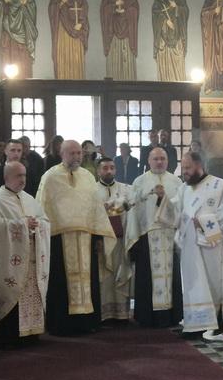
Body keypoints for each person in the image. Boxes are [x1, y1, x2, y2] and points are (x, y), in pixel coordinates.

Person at [36, 140, 115, 336]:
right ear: (61, 154)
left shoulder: (88, 177)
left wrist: (98, 236)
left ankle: (88, 322)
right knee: (61, 283)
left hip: (86, 238)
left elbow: (95, 208)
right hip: (59, 239)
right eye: (72, 153)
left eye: (79, 153)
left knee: (88, 280)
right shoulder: (50, 177)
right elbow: (42, 207)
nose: (76, 157)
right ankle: (62, 325)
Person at [172, 151, 223, 341]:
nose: (184, 171)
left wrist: (202, 222)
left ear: (199, 166)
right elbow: (175, 211)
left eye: (188, 167)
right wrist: (161, 201)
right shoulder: (183, 189)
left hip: (211, 245)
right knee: (193, 286)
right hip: (190, 247)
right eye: (183, 167)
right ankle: (195, 325)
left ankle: (216, 322)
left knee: (213, 283)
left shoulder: (219, 186)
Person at [0, 162, 50, 347]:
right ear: (6, 177)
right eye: (18, 176)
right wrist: (22, 224)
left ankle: (32, 333)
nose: (23, 179)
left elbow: (45, 221)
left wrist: (39, 225)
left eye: (24, 175)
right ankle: (9, 337)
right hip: (11, 261)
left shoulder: (30, 199)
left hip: (32, 260)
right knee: (11, 292)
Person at [125, 148, 182, 328]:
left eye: (162, 159)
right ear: (148, 161)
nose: (159, 162)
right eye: (155, 159)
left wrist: (164, 198)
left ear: (168, 161)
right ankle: (146, 316)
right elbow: (132, 208)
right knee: (147, 277)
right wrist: (148, 194)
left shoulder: (176, 182)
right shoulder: (139, 181)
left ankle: (171, 316)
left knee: (171, 277)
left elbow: (181, 208)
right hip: (147, 236)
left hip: (170, 236)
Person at [96, 157, 133, 322]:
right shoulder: (92, 190)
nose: (109, 171)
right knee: (104, 278)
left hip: (121, 240)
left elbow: (132, 207)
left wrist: (113, 207)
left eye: (112, 167)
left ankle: (121, 314)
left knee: (120, 273)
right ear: (98, 171)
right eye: (105, 168)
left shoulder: (125, 189)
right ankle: (105, 315)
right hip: (102, 241)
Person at [48, 0, 89, 79]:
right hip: (62, 25)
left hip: (76, 24)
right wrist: (62, 2)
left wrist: (81, 22)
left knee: (75, 51)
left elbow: (84, 5)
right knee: (63, 51)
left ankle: (77, 78)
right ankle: (63, 77)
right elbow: (52, 7)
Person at [101, 0, 139, 81]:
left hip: (127, 30)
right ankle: (113, 81)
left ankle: (129, 81)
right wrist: (114, 7)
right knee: (114, 57)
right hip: (113, 30)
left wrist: (125, 10)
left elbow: (135, 8)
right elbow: (103, 9)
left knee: (127, 57)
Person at [152, 0, 189, 82]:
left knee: (178, 54)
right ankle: (165, 82)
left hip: (176, 29)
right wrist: (165, 21)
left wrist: (176, 7)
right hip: (164, 31)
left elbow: (185, 10)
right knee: (164, 55)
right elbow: (155, 11)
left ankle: (178, 83)